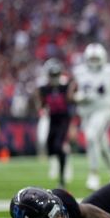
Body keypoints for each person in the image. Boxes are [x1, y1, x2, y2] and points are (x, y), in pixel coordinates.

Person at [68, 43, 110, 190]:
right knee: (101, 143)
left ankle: (93, 173)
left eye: (97, 59)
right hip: (86, 113)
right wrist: (78, 98)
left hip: (104, 111)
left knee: (91, 137)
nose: (94, 62)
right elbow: (70, 94)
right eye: (92, 59)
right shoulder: (80, 72)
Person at [36, 58, 73, 187]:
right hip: (52, 118)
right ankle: (64, 159)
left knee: (58, 146)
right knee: (50, 148)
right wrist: (42, 109)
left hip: (63, 119)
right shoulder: (44, 88)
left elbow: (71, 101)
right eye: (52, 75)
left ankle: (62, 179)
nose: (55, 77)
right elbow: (42, 104)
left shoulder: (65, 85)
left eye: (56, 74)